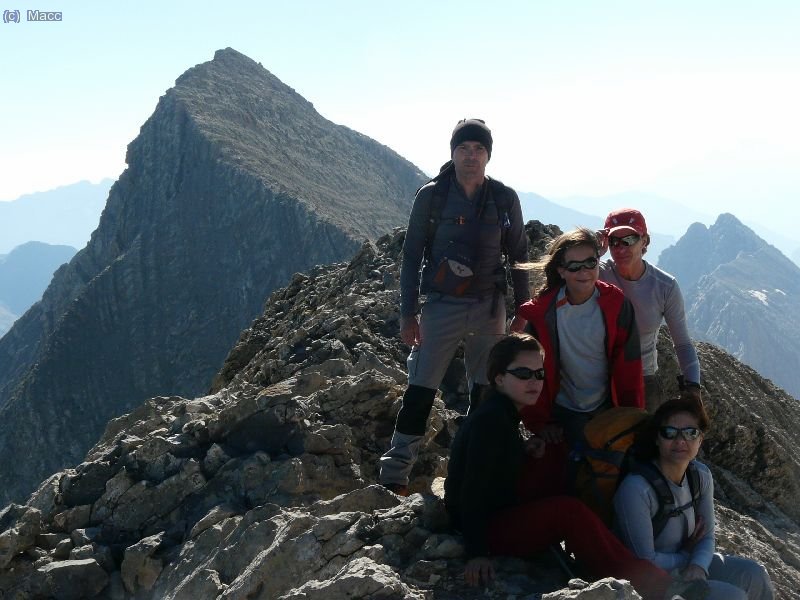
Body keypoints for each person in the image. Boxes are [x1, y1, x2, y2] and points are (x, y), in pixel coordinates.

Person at [445, 333, 706, 600]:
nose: (534, 382)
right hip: (486, 529)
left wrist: (523, 451)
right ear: (499, 378)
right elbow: (472, 489)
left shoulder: (500, 411)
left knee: (559, 453)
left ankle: (599, 542)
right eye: (523, 374)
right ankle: (655, 584)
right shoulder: (492, 421)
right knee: (568, 512)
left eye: (539, 374)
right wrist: (477, 554)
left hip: (496, 510)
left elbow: (491, 466)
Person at [379, 119, 530, 495]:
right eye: (464, 148)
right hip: (441, 305)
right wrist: (408, 313)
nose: (471, 156)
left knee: (485, 391)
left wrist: (523, 309)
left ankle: (471, 468)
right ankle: (395, 474)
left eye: (479, 149)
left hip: (489, 306)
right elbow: (412, 256)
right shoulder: (432, 196)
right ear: (452, 152)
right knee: (421, 387)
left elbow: (520, 255)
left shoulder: (504, 198)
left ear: (488, 155)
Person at [614, 398, 774, 599]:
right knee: (732, 596)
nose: (681, 441)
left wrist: (698, 565)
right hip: (650, 580)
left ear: (700, 440)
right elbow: (643, 559)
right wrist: (687, 558)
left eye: (690, 433)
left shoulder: (700, 476)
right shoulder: (636, 489)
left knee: (754, 574)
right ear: (657, 438)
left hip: (687, 565)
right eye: (669, 433)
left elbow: (706, 536)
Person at [516, 227, 644, 449]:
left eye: (590, 263)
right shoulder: (543, 313)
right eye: (574, 266)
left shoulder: (616, 304)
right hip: (561, 415)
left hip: (606, 411)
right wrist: (539, 423)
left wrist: (631, 419)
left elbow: (630, 366)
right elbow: (530, 372)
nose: (584, 271)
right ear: (561, 271)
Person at [598, 208, 701, 411]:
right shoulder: (594, 272)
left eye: (628, 240)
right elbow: (559, 281)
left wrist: (693, 389)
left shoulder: (664, 286)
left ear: (644, 241)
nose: (620, 248)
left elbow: (682, 343)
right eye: (613, 241)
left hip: (642, 379)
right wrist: (593, 252)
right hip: (597, 376)